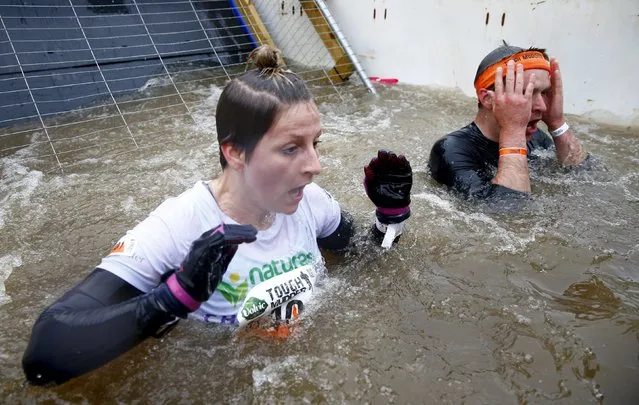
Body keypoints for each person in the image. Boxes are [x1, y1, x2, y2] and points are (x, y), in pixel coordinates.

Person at [21, 45, 413, 386]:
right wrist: (172, 299)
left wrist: (389, 218)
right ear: (235, 152)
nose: (316, 165)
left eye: (315, 143)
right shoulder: (179, 226)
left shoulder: (309, 201)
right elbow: (43, 359)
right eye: (291, 149)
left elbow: (365, 261)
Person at [428, 44, 589, 200]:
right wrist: (513, 132)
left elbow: (586, 178)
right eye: (526, 92)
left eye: (545, 92)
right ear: (487, 99)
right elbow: (509, 211)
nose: (542, 106)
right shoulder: (451, 149)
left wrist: (557, 124)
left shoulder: (537, 138)